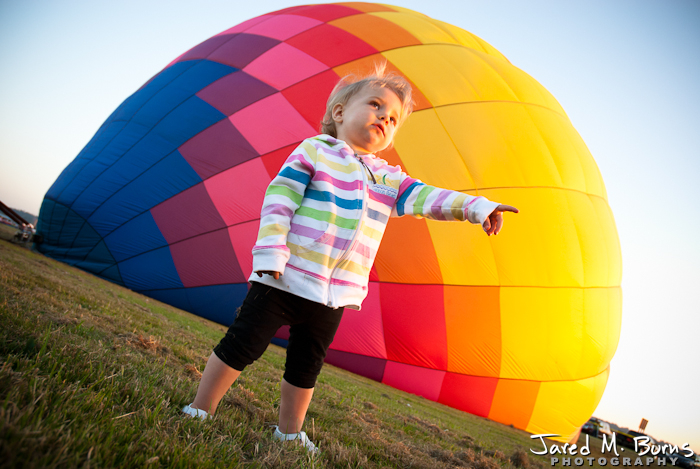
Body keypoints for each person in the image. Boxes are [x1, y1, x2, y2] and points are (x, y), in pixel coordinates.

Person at [182, 64, 518, 453]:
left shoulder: (389, 178)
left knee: (306, 365)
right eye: (375, 105)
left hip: (333, 294)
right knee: (243, 344)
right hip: (283, 275)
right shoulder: (315, 151)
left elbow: (431, 198)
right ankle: (200, 408)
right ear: (340, 113)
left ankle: (288, 431)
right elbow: (280, 199)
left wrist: (479, 207)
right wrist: (272, 249)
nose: (383, 118)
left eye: (392, 118)